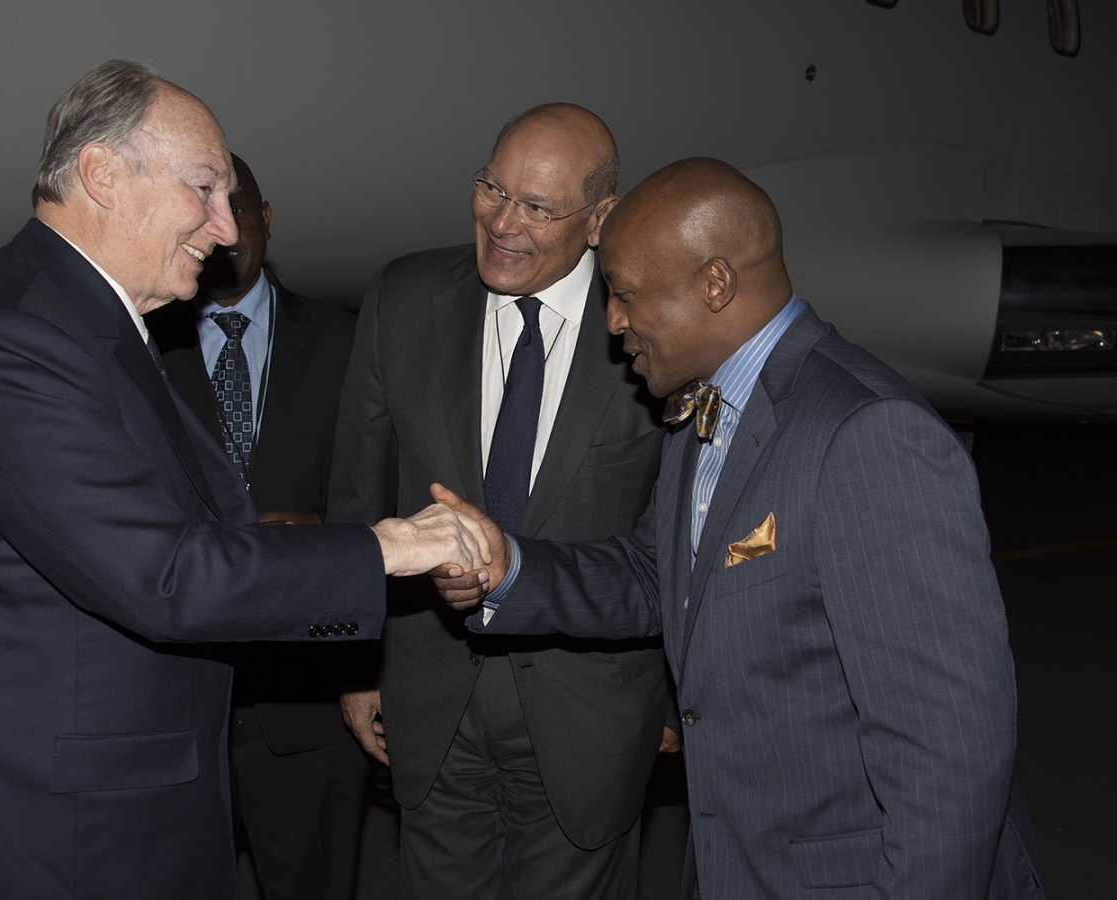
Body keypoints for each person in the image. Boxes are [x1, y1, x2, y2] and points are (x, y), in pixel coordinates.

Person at [0, 59, 485, 900]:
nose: (225, 227)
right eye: (205, 189)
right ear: (103, 175)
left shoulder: (89, 323)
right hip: (16, 824)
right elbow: (167, 576)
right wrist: (389, 545)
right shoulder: (16, 342)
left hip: (84, 806)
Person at [434, 157, 1047, 898]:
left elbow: (949, 754)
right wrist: (511, 569)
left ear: (715, 284)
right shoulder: (711, 405)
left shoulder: (868, 435)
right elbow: (654, 573)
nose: (614, 322)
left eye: (625, 296)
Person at [328, 103, 677, 899]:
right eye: (493, 187)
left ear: (600, 219)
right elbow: (356, 497)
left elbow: (678, 537)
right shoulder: (403, 298)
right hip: (428, 701)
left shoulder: (652, 325)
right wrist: (350, 666)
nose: (502, 221)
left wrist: (671, 698)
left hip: (591, 713)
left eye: (539, 207)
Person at [147, 153, 367, 900]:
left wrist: (321, 529)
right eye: (204, 203)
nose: (224, 227)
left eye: (238, 207)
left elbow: (394, 489)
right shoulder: (137, 347)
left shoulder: (350, 343)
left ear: (266, 220)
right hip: (167, 707)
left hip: (306, 710)